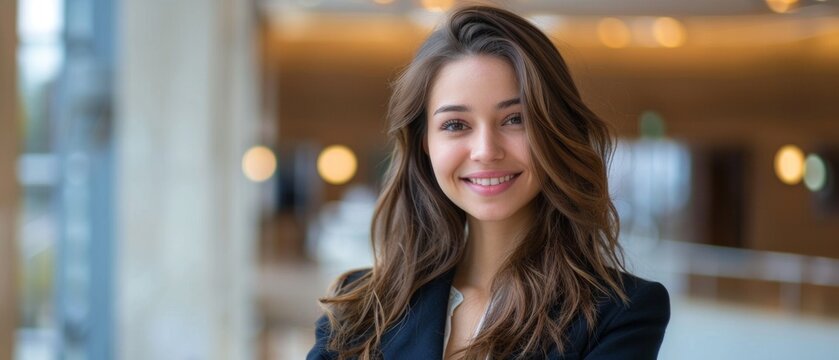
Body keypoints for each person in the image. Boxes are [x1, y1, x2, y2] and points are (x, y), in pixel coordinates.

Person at [307, 5, 670, 360]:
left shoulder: (620, 314)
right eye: (455, 125)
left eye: (515, 119)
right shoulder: (359, 305)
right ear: (425, 144)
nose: (485, 150)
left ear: (556, 131)